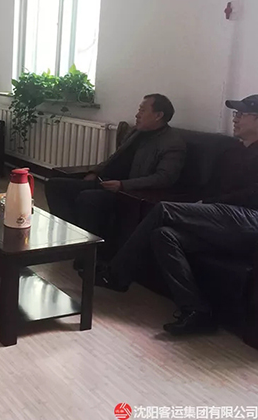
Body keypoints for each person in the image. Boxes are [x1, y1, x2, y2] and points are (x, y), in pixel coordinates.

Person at [97, 95, 258, 335]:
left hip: (249, 220)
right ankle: (197, 312)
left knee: (164, 209)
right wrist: (200, 205)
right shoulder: (232, 152)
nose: (235, 119)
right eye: (235, 114)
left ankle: (116, 275)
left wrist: (206, 205)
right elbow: (212, 189)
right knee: (164, 235)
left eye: (242, 114)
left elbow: (251, 196)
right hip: (221, 220)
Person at [45, 94, 186, 257]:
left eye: (142, 110)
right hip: (106, 182)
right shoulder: (136, 132)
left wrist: (123, 185)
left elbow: (164, 178)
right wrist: (95, 171)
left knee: (88, 198)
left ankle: (91, 254)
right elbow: (114, 157)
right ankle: (71, 239)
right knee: (54, 185)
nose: (137, 115)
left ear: (158, 115)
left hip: (128, 192)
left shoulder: (172, 143)